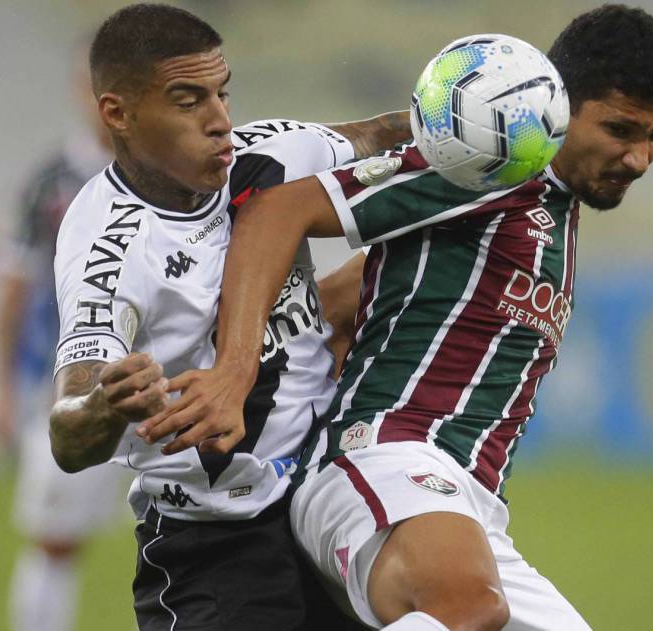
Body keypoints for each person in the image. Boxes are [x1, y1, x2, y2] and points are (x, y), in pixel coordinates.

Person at [141, 5, 653, 630]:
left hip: (465, 501)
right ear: (561, 106)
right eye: (621, 130)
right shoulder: (490, 162)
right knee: (466, 608)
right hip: (386, 457)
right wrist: (233, 373)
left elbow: (352, 297)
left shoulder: (552, 207)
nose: (640, 158)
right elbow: (276, 212)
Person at [47, 4, 410, 630]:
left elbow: (383, 134)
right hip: (216, 543)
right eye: (189, 101)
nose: (221, 122)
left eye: (222, 93)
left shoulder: (266, 157)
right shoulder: (110, 249)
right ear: (118, 114)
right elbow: (69, 433)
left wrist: (501, 118)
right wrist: (109, 406)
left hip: (333, 500)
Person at [0, 41, 129, 631]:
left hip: (176, 390)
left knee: (191, 535)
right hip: (75, 389)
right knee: (54, 541)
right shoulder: (51, 182)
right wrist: (1, 387)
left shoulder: (186, 169)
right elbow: (13, 289)